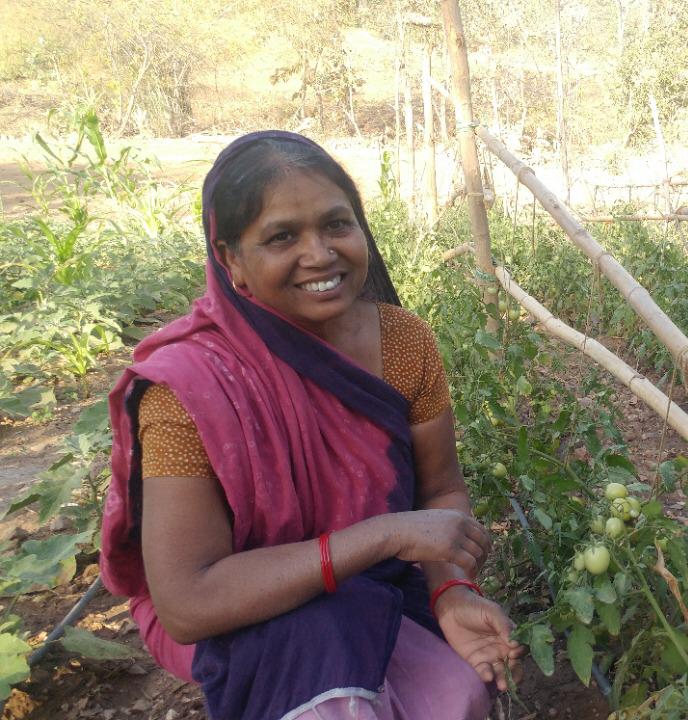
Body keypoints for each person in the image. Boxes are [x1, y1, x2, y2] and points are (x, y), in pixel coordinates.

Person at [100, 131, 523, 720]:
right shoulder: (190, 388)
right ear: (231, 261)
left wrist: (450, 589)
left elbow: (440, 490)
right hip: (237, 607)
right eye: (281, 237)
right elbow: (190, 602)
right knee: (331, 684)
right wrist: (384, 535)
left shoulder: (402, 343)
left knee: (459, 695)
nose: (320, 254)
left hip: (373, 580)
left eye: (337, 225)